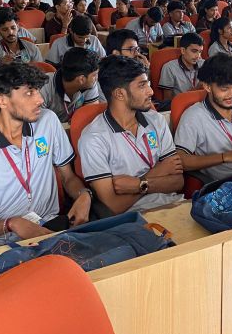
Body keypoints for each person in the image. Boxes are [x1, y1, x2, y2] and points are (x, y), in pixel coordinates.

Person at [0, 63, 91, 253]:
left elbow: (68, 177)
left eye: (38, 90)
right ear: (1, 101)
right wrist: (11, 224)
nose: (40, 99)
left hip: (47, 229)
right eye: (29, 93)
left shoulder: (47, 121)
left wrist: (84, 195)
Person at [78, 55, 184, 214]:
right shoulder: (93, 138)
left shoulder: (156, 120)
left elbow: (178, 181)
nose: (151, 91)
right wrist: (157, 174)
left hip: (175, 205)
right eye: (142, 86)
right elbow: (113, 205)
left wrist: (138, 184)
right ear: (119, 94)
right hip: (133, 217)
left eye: (148, 83)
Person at [39, 47, 104, 123]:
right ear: (81, 79)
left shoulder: (89, 84)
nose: (96, 78)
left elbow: (90, 115)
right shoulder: (42, 87)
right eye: (94, 75)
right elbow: (39, 124)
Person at [158, 33, 204, 100]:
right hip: (182, 107)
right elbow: (167, 101)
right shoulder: (169, 68)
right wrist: (197, 88)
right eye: (194, 51)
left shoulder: (204, 64)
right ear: (183, 50)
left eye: (200, 52)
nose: (198, 56)